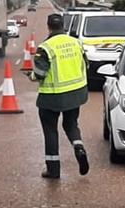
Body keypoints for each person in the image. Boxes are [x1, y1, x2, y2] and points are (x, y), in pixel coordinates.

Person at [30, 13, 90, 179]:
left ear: (48, 26)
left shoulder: (46, 47)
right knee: (71, 124)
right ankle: (79, 146)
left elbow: (40, 73)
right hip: (75, 93)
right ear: (63, 25)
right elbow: (86, 64)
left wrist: (31, 75)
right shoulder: (76, 43)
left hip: (52, 97)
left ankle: (53, 170)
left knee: (50, 131)